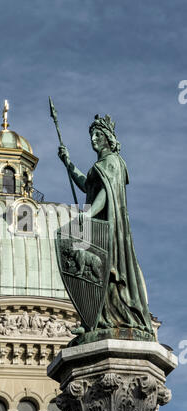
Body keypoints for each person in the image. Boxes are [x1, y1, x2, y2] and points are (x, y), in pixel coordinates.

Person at [58, 114, 153, 334]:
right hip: (98, 223)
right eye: (92, 135)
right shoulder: (100, 164)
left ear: (108, 138)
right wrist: (68, 163)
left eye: (98, 135)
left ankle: (113, 316)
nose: (93, 139)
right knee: (97, 274)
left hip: (108, 223)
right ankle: (96, 320)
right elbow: (87, 186)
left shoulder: (112, 162)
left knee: (107, 269)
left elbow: (104, 193)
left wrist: (89, 213)